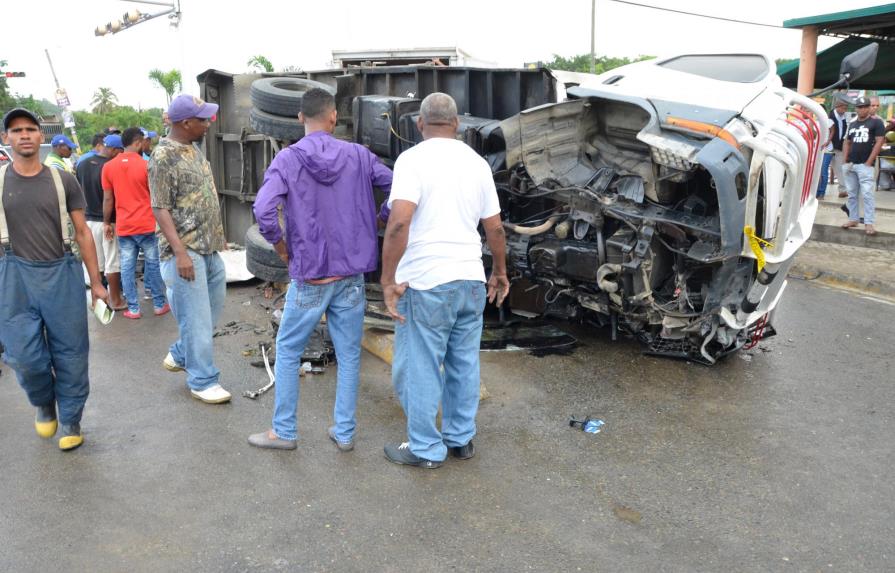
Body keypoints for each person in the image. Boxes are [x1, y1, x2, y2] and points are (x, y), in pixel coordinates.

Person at [247, 88, 393, 451]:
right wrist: (380, 219)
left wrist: (281, 247)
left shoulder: (287, 159)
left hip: (310, 275)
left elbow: (263, 210)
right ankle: (344, 433)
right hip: (350, 277)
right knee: (348, 355)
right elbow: (398, 186)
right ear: (332, 118)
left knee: (288, 349)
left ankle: (284, 432)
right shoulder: (358, 155)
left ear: (300, 118)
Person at [380, 93, 509, 469]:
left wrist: (388, 279)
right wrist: (499, 272)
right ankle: (460, 439)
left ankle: (425, 448)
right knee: (464, 362)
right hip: (470, 279)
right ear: (457, 125)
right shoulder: (477, 163)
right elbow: (496, 228)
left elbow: (400, 222)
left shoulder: (412, 160)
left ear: (420, 124)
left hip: (427, 281)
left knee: (420, 365)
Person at [0, 108, 107, 451]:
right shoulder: (0, 181)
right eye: (16, 130)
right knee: (22, 356)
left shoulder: (64, 180)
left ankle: (72, 419)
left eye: (31, 129)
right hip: (14, 277)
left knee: (72, 353)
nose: (25, 134)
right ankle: (44, 401)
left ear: (41, 136)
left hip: (61, 273)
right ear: (6, 139)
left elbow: (82, 233)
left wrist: (98, 284)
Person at [149, 95, 231, 404]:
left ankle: (182, 353)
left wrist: (217, 235)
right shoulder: (163, 157)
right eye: (203, 119)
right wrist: (180, 252)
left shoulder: (194, 149)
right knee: (197, 320)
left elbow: (201, 196)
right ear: (185, 123)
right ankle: (202, 380)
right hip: (186, 252)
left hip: (209, 248)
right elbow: (160, 208)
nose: (209, 123)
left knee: (209, 316)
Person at [102, 127, 169, 318]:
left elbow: (108, 199)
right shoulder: (146, 165)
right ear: (138, 142)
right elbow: (157, 198)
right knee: (153, 264)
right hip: (147, 224)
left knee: (127, 266)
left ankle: (133, 308)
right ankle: (158, 304)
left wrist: (107, 223)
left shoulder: (108, 167)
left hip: (124, 226)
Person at [76, 133, 126, 310]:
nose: (121, 155)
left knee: (96, 262)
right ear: (113, 150)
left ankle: (98, 300)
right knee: (112, 261)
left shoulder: (82, 164)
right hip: (107, 221)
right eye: (120, 151)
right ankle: (115, 300)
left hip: (88, 219)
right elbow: (110, 198)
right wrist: (108, 222)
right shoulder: (110, 167)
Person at [841, 96, 885, 236]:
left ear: (869, 107)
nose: (862, 109)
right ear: (856, 108)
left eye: (865, 106)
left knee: (867, 195)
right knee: (852, 194)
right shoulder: (853, 124)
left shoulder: (876, 123)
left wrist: (869, 161)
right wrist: (845, 160)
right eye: (859, 107)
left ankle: (869, 222)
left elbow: (879, 142)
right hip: (851, 164)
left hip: (865, 165)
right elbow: (847, 142)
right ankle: (853, 219)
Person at [829, 98, 849, 197]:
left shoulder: (845, 117)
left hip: (839, 147)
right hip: (827, 147)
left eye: (846, 108)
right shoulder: (829, 116)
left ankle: (843, 190)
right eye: (843, 108)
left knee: (840, 169)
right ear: (837, 106)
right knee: (822, 169)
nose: (844, 110)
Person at [816, 116, 835, 200]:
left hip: (827, 150)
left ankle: (822, 193)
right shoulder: (815, 121)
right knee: (816, 172)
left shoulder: (829, 121)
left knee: (823, 171)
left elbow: (833, 131)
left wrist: (828, 141)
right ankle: (816, 192)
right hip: (817, 151)